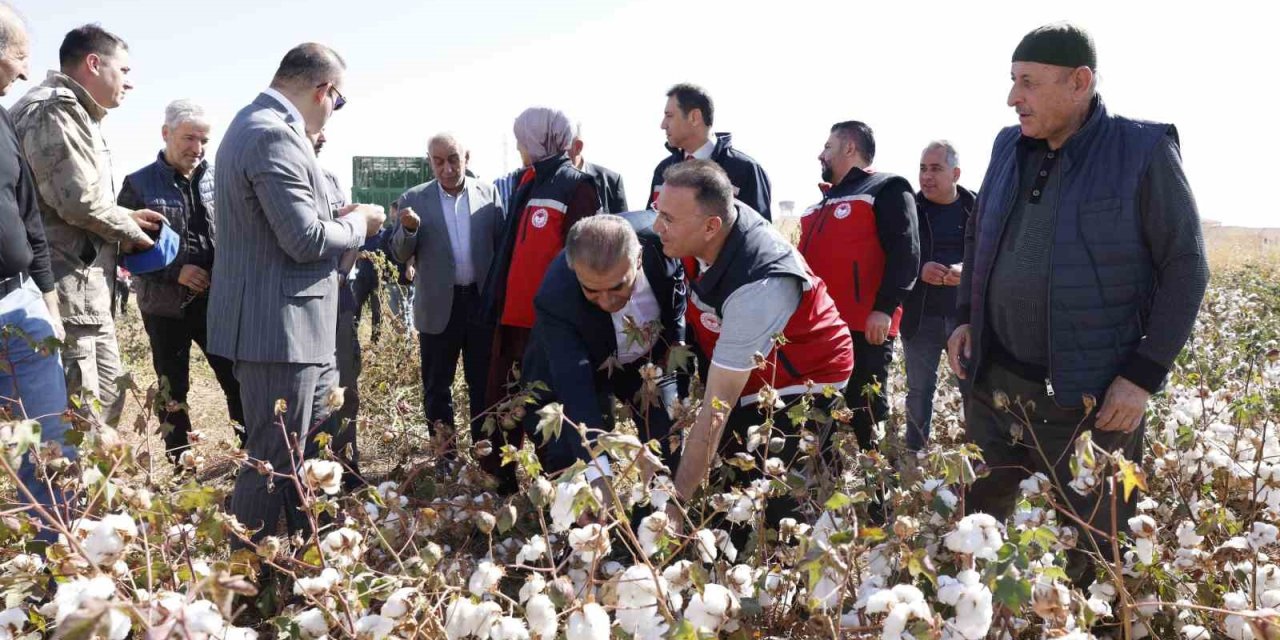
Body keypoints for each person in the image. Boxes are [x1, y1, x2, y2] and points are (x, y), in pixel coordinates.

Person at [947, 23, 1209, 586]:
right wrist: (964, 317)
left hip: (1090, 402)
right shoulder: (1006, 145)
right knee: (976, 536)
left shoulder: (1142, 151)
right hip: (996, 388)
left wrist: (1141, 377)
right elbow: (978, 237)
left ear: (1080, 82)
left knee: (1097, 555)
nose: (1013, 97)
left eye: (1028, 83)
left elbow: (1186, 267)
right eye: (1012, 81)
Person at [207, 43, 385, 541]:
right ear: (323, 90)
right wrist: (359, 225)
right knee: (271, 458)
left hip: (292, 326)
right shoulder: (270, 135)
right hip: (278, 329)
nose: (334, 110)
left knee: (300, 448)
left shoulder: (261, 126)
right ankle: (245, 578)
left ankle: (299, 557)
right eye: (338, 100)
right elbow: (305, 238)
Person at [654, 160, 853, 540]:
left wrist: (676, 504)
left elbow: (716, 407)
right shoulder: (706, 225)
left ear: (711, 227)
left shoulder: (759, 284)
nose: (658, 227)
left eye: (668, 219)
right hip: (754, 366)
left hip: (806, 372)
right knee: (732, 473)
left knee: (775, 485)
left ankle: (792, 564)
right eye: (658, 213)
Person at [10, 24, 167, 424]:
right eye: (125, 71)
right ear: (94, 64)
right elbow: (79, 202)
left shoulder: (75, 113)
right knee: (81, 421)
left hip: (83, 295)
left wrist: (127, 218)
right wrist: (136, 235)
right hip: (65, 294)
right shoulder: (54, 110)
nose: (130, 83)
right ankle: (71, 491)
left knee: (105, 404)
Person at [480, 106, 600, 493]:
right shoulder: (527, 182)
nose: (518, 146)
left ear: (538, 139)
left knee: (543, 403)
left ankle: (559, 487)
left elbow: (581, 260)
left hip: (547, 323)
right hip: (512, 319)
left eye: (521, 139)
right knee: (504, 402)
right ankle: (502, 482)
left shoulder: (576, 185)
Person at [116, 99, 244, 462]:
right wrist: (176, 273)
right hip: (164, 307)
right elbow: (124, 251)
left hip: (217, 302)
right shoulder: (138, 185)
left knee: (236, 381)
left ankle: (250, 460)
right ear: (166, 133)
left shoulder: (222, 179)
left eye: (204, 140)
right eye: (189, 138)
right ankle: (181, 466)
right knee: (172, 390)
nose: (197, 148)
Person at [520, 212, 685, 478]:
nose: (607, 301)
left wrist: (676, 342)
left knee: (667, 436)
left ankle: (656, 511)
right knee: (571, 455)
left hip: (648, 363)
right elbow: (574, 386)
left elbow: (677, 291)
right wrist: (598, 474)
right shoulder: (555, 296)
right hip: (585, 363)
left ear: (638, 259)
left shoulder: (664, 243)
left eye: (618, 286)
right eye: (592, 291)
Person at [0, 2, 76, 536]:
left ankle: (57, 557)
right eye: (20, 57)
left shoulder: (3, 120)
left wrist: (47, 297)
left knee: (50, 440)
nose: (25, 72)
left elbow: (27, 212)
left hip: (21, 304)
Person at [799, 121, 919, 451]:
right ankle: (830, 494)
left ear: (849, 148)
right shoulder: (818, 205)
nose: (820, 154)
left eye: (827, 146)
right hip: (820, 331)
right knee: (820, 420)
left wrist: (883, 308)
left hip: (865, 329)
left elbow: (906, 252)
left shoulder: (887, 188)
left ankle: (877, 497)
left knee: (864, 418)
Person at [387, 133, 502, 454]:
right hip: (439, 308)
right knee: (438, 388)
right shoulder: (415, 198)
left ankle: (486, 458)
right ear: (430, 162)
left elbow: (500, 245)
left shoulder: (489, 195)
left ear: (467, 157)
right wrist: (408, 229)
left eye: (453, 159)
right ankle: (446, 457)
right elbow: (398, 253)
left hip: (480, 305)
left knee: (484, 385)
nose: (447, 168)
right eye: (438, 161)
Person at [898, 140, 975, 451]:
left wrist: (964, 271)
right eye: (922, 169)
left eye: (935, 169)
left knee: (973, 388)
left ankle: (982, 456)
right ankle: (914, 457)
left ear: (955, 173)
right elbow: (894, 256)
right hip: (921, 317)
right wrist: (918, 272)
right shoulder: (909, 210)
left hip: (965, 320)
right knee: (919, 391)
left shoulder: (977, 208)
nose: (926, 177)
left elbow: (992, 257)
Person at [312, 127, 373, 488]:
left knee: (346, 384)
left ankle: (344, 464)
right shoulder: (278, 181)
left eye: (322, 133)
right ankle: (309, 468)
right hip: (299, 306)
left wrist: (341, 271)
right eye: (312, 131)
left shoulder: (331, 180)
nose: (321, 137)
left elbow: (354, 234)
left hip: (338, 303)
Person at [650, 83, 772, 220]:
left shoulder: (746, 170)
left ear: (694, 117)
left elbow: (758, 234)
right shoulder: (663, 170)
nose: (663, 125)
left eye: (669, 115)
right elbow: (651, 226)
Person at [568, 122, 627, 213]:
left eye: (558, 144)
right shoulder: (544, 181)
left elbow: (623, 225)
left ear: (578, 146)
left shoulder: (611, 182)